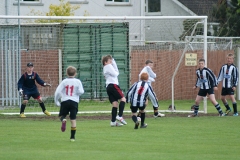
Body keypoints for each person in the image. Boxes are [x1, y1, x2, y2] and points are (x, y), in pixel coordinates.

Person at [54, 66, 84, 142]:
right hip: (74, 101)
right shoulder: (78, 81)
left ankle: (63, 119)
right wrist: (76, 93)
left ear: (67, 73)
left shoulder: (64, 81)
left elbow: (58, 91)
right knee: (73, 119)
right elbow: (81, 91)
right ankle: (72, 137)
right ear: (75, 73)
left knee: (62, 115)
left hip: (65, 100)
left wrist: (56, 100)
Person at [102, 54, 127, 127]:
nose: (111, 62)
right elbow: (116, 73)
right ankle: (119, 115)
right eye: (110, 61)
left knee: (115, 104)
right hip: (113, 85)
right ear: (105, 62)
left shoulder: (105, 67)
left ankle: (113, 121)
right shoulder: (108, 66)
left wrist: (113, 62)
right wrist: (114, 63)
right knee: (123, 99)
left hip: (108, 86)